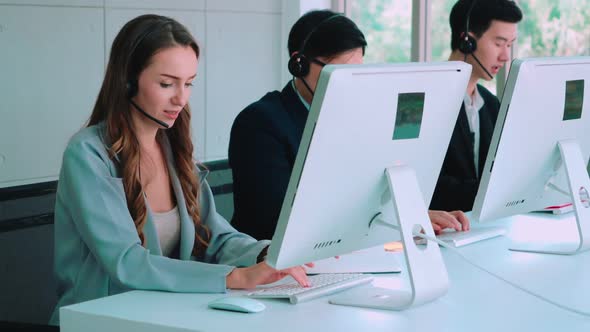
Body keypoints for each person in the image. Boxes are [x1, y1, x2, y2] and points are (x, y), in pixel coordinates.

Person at [50, 14, 310, 326]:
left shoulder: (173, 149)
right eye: (166, 83)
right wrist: (235, 277)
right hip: (102, 319)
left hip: (165, 316)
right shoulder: (88, 154)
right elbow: (127, 263)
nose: (181, 98)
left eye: (188, 83)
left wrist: (269, 255)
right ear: (128, 81)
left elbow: (215, 239)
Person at [229, 9, 469, 241]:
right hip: (269, 268)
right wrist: (399, 222)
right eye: (339, 72)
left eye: (356, 72)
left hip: (343, 256)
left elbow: (371, 195)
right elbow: (278, 220)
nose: (349, 85)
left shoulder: (358, 119)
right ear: (298, 64)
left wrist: (412, 216)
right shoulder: (259, 124)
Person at [430, 0, 522, 212]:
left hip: (483, 230)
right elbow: (430, 187)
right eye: (499, 43)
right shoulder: (429, 102)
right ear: (467, 41)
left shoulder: (490, 105)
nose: (506, 56)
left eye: (509, 45)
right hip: (440, 234)